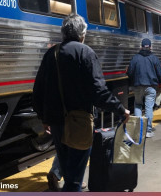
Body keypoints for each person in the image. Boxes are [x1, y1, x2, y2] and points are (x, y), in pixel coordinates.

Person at [33, 13, 130, 192]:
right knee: (74, 180)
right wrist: (120, 109)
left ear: (63, 33)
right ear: (82, 34)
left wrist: (43, 117)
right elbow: (98, 91)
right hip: (79, 122)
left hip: (56, 122)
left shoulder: (51, 53)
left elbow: (38, 89)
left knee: (69, 172)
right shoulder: (85, 53)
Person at [127, 38, 161, 138]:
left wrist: (132, 82)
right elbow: (160, 73)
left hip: (138, 85)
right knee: (149, 108)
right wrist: (160, 83)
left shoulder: (135, 58)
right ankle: (148, 130)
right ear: (150, 47)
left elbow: (130, 72)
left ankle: (139, 130)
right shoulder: (154, 58)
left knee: (138, 105)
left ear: (141, 47)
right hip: (151, 86)